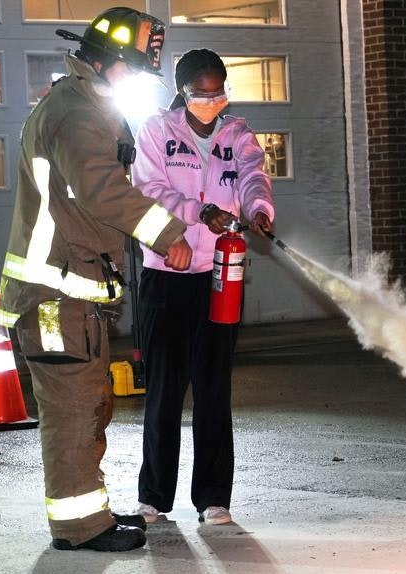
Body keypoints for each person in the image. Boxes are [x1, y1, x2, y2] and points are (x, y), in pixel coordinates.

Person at [0, 7, 194, 552]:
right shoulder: (77, 114)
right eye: (132, 71)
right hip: (54, 296)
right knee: (72, 412)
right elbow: (102, 189)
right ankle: (81, 527)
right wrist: (169, 233)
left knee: (88, 406)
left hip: (69, 294)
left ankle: (92, 516)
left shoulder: (78, 104)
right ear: (109, 63)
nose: (133, 83)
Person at [131, 49, 275, 526]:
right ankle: (153, 497)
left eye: (219, 93)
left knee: (214, 389)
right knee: (165, 390)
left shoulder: (238, 135)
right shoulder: (157, 132)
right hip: (165, 277)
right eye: (201, 94)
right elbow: (149, 191)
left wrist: (258, 210)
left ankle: (214, 499)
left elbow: (254, 177)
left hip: (219, 277)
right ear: (182, 92)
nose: (212, 102)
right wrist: (199, 212)